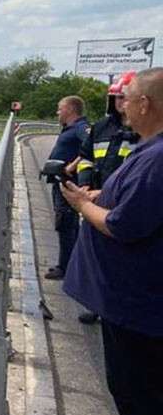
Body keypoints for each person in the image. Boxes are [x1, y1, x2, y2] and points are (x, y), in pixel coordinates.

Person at [61, 67, 163, 415]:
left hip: (138, 301)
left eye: (128, 98)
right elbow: (134, 201)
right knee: (141, 384)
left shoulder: (157, 157)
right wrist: (97, 196)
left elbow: (124, 225)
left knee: (137, 385)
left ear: (145, 104)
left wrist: (84, 208)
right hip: (136, 298)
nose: (121, 106)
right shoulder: (148, 150)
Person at [66, 72, 140, 323]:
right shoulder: (101, 127)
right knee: (95, 253)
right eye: (118, 98)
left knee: (123, 256)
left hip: (125, 200)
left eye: (125, 97)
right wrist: (85, 184)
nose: (121, 103)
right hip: (94, 198)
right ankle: (97, 305)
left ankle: (116, 308)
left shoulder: (144, 132)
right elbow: (86, 157)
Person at [44, 96, 88, 280]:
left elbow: (89, 145)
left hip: (67, 184)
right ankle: (69, 264)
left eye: (59, 109)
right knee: (67, 225)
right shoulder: (70, 128)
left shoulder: (80, 127)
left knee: (66, 225)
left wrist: (72, 165)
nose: (57, 112)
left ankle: (65, 267)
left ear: (70, 109)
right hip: (60, 183)